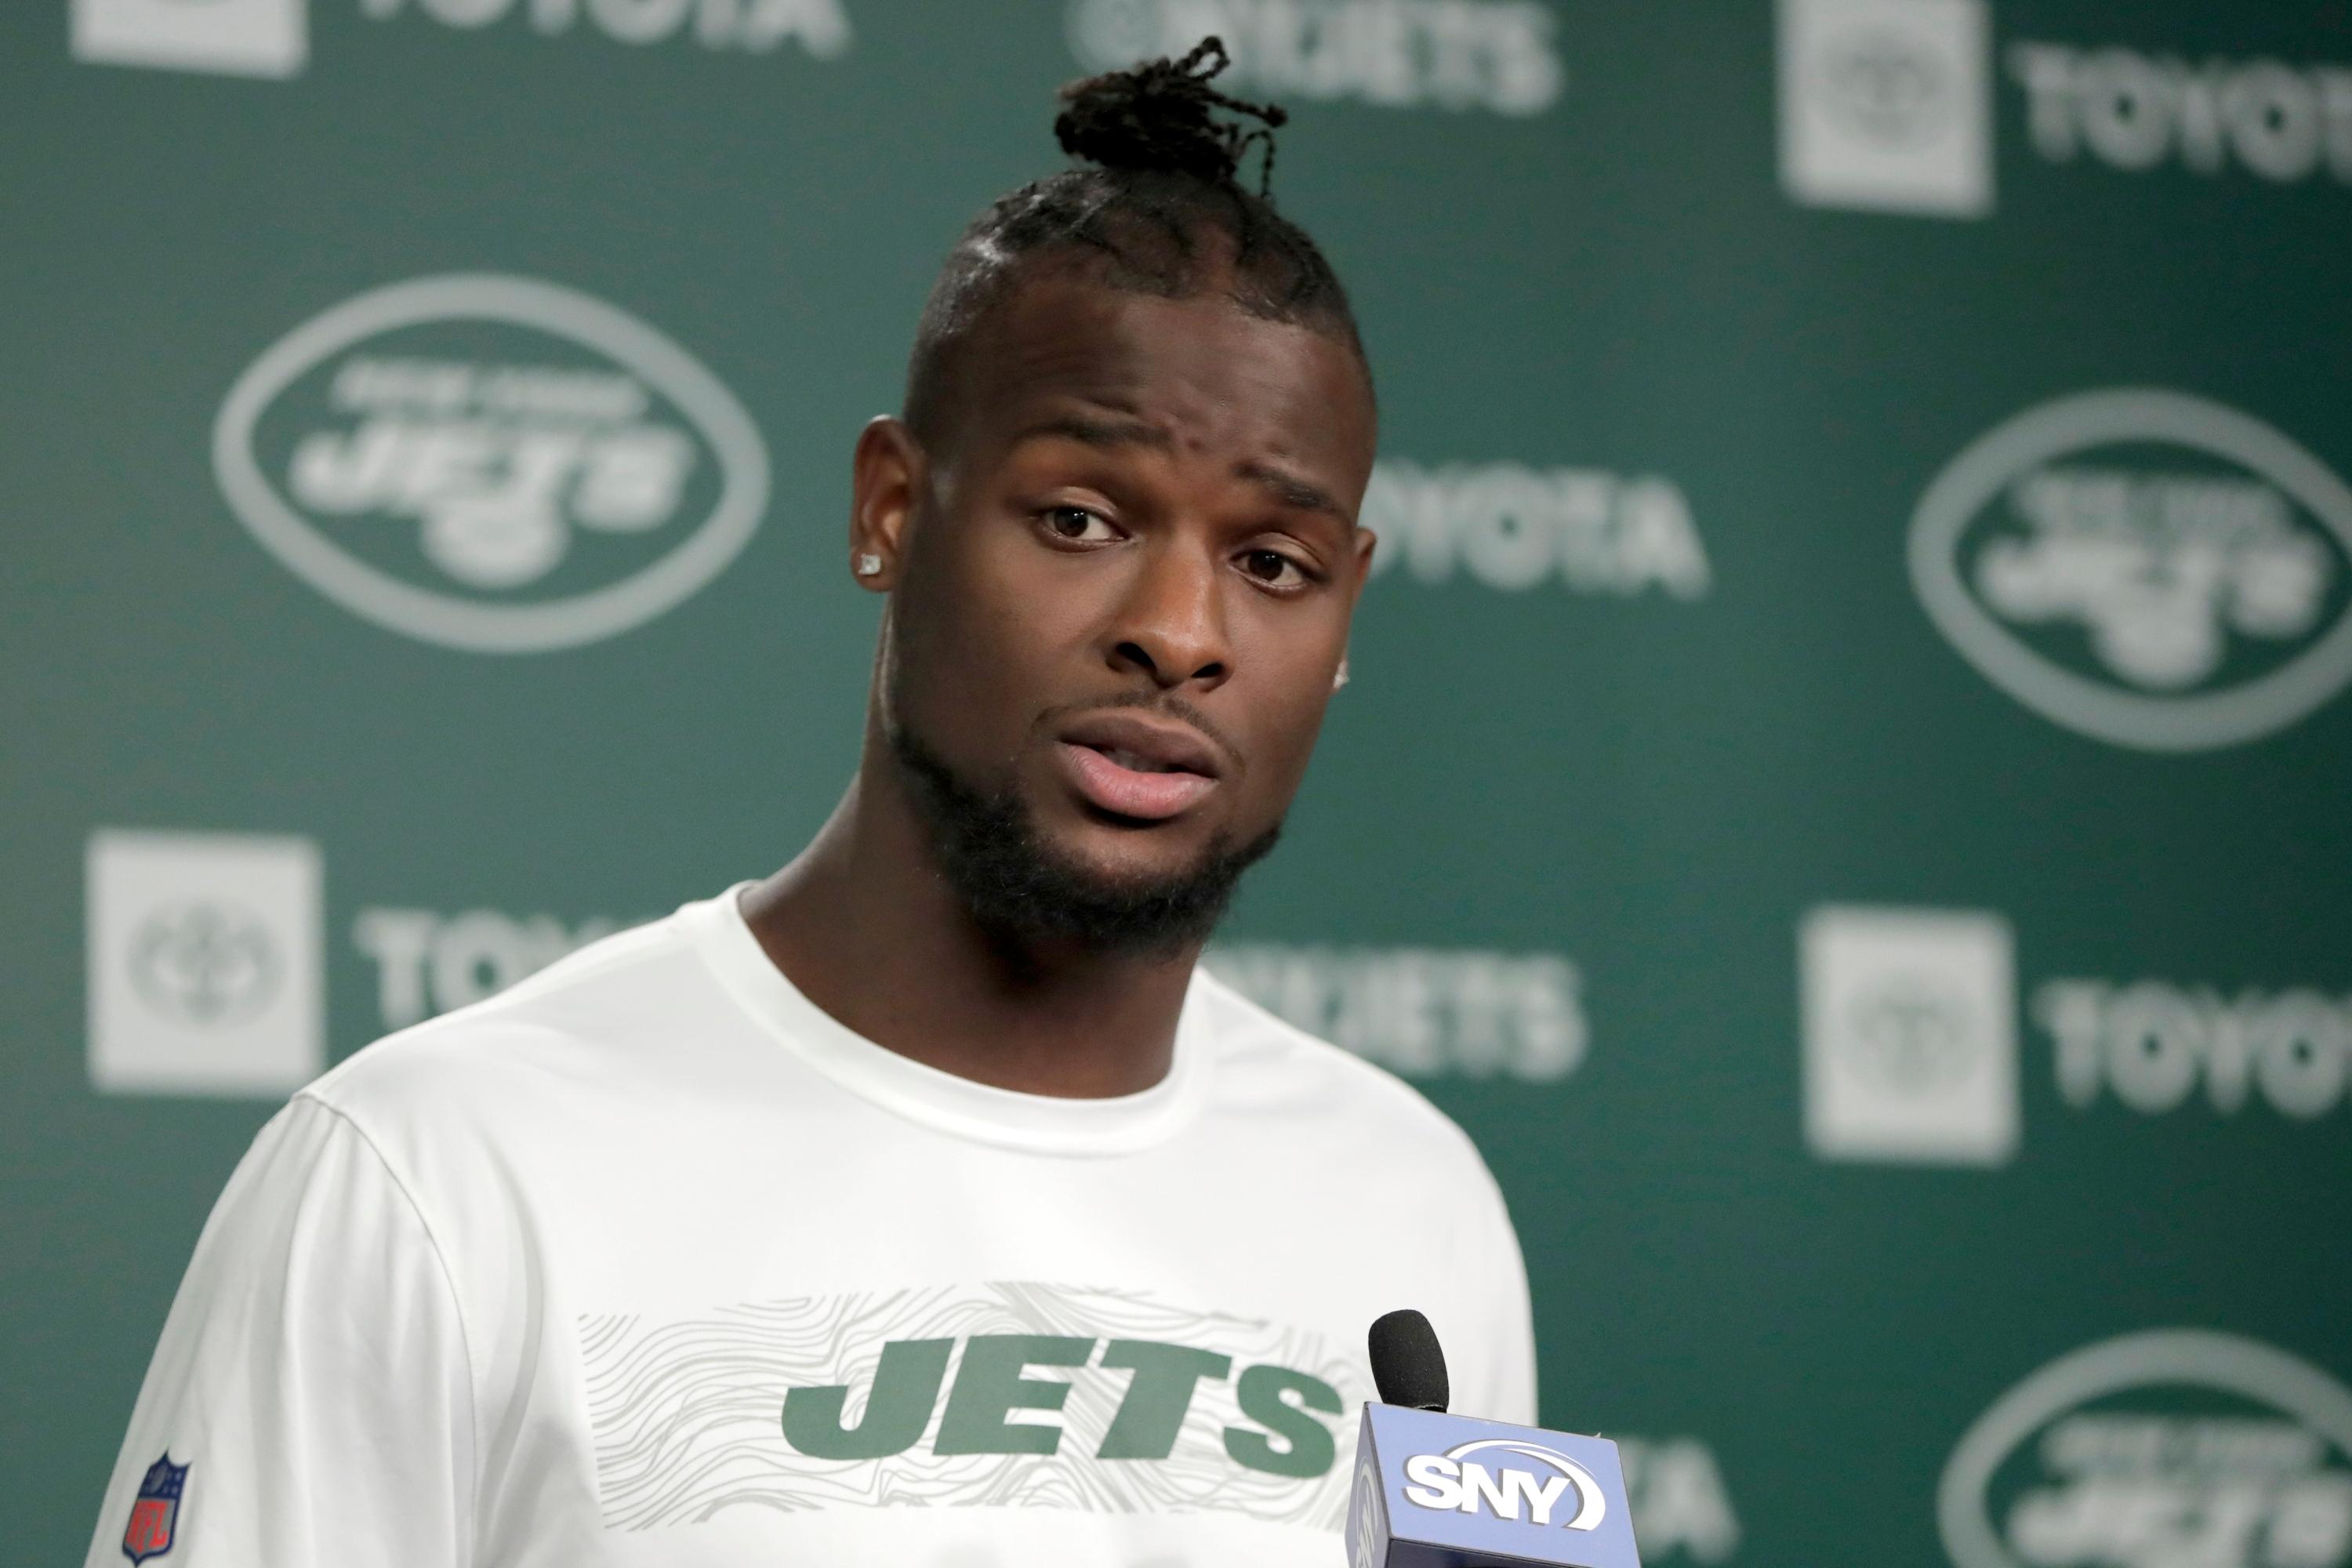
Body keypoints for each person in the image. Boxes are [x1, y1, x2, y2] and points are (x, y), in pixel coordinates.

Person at [88, 39, 1534, 1568]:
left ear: (1348, 611)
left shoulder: (1414, 1206)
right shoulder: (440, 1170)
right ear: (891, 510)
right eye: (1081, 517)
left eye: (1273, 563)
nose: (1181, 630)